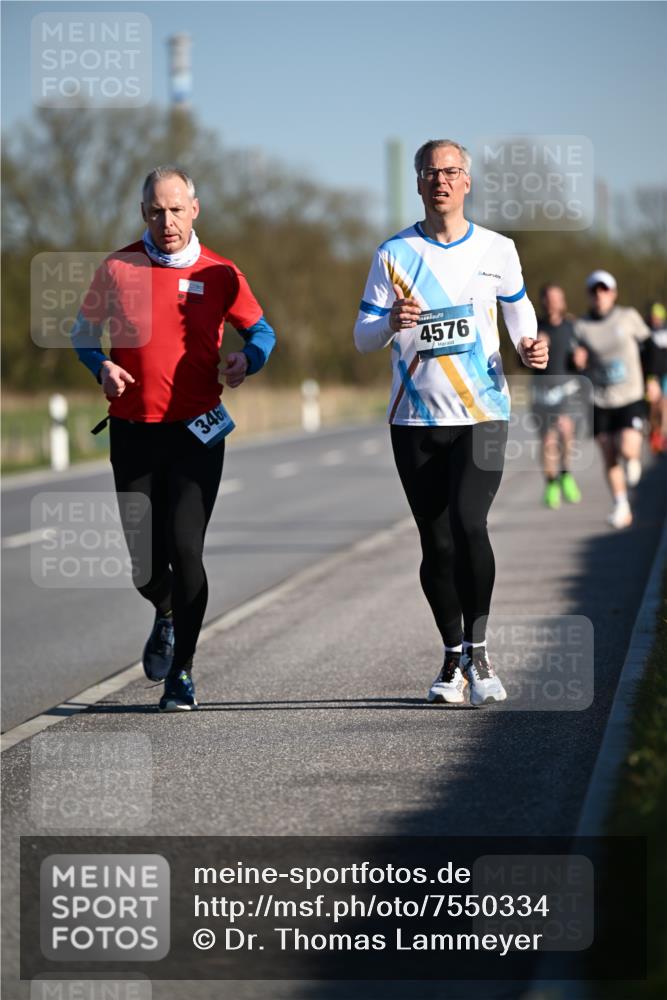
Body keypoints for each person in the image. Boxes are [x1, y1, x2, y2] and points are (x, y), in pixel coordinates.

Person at [72, 166, 276, 711]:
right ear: (144, 214)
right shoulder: (117, 266)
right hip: (134, 433)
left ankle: (181, 671)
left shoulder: (221, 272)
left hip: (196, 434)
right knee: (145, 567)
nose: (167, 221)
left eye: (177, 209)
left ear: (195, 208)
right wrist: (101, 367)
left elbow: (261, 330)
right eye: (157, 211)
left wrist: (246, 359)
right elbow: (83, 333)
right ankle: (164, 612)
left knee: (187, 551)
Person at [353, 139, 547, 707]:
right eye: (431, 172)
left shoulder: (498, 249)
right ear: (418, 184)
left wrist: (530, 345)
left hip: (483, 412)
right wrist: (389, 320)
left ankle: (480, 652)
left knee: (468, 524)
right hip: (414, 417)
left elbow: (520, 311)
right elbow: (364, 338)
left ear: (468, 182)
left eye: (452, 171)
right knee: (435, 543)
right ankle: (451, 656)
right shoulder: (393, 253)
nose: (441, 180)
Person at [572, 270, 650, 529]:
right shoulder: (581, 327)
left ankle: (634, 458)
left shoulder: (628, 317)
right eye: (594, 291)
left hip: (630, 395)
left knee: (627, 448)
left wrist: (654, 380)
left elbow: (651, 348)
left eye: (604, 290)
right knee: (608, 453)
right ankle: (621, 505)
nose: (599, 295)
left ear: (613, 293)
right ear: (589, 295)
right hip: (600, 399)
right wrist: (576, 362)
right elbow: (571, 362)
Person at [533, 284, 583, 509]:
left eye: (557, 298)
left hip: (567, 390)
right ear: (543, 301)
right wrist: (534, 347)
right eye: (549, 298)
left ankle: (566, 472)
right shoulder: (534, 327)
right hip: (542, 391)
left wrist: (583, 359)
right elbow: (519, 361)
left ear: (563, 302)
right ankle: (552, 482)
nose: (553, 302)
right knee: (547, 441)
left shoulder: (573, 327)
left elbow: (582, 358)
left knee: (565, 429)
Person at [641, 302, 667, 454]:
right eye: (653, 317)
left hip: (665, 374)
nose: (655, 319)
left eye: (658, 317)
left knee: (664, 405)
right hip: (651, 375)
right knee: (652, 406)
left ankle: (662, 436)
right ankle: (655, 432)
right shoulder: (645, 332)